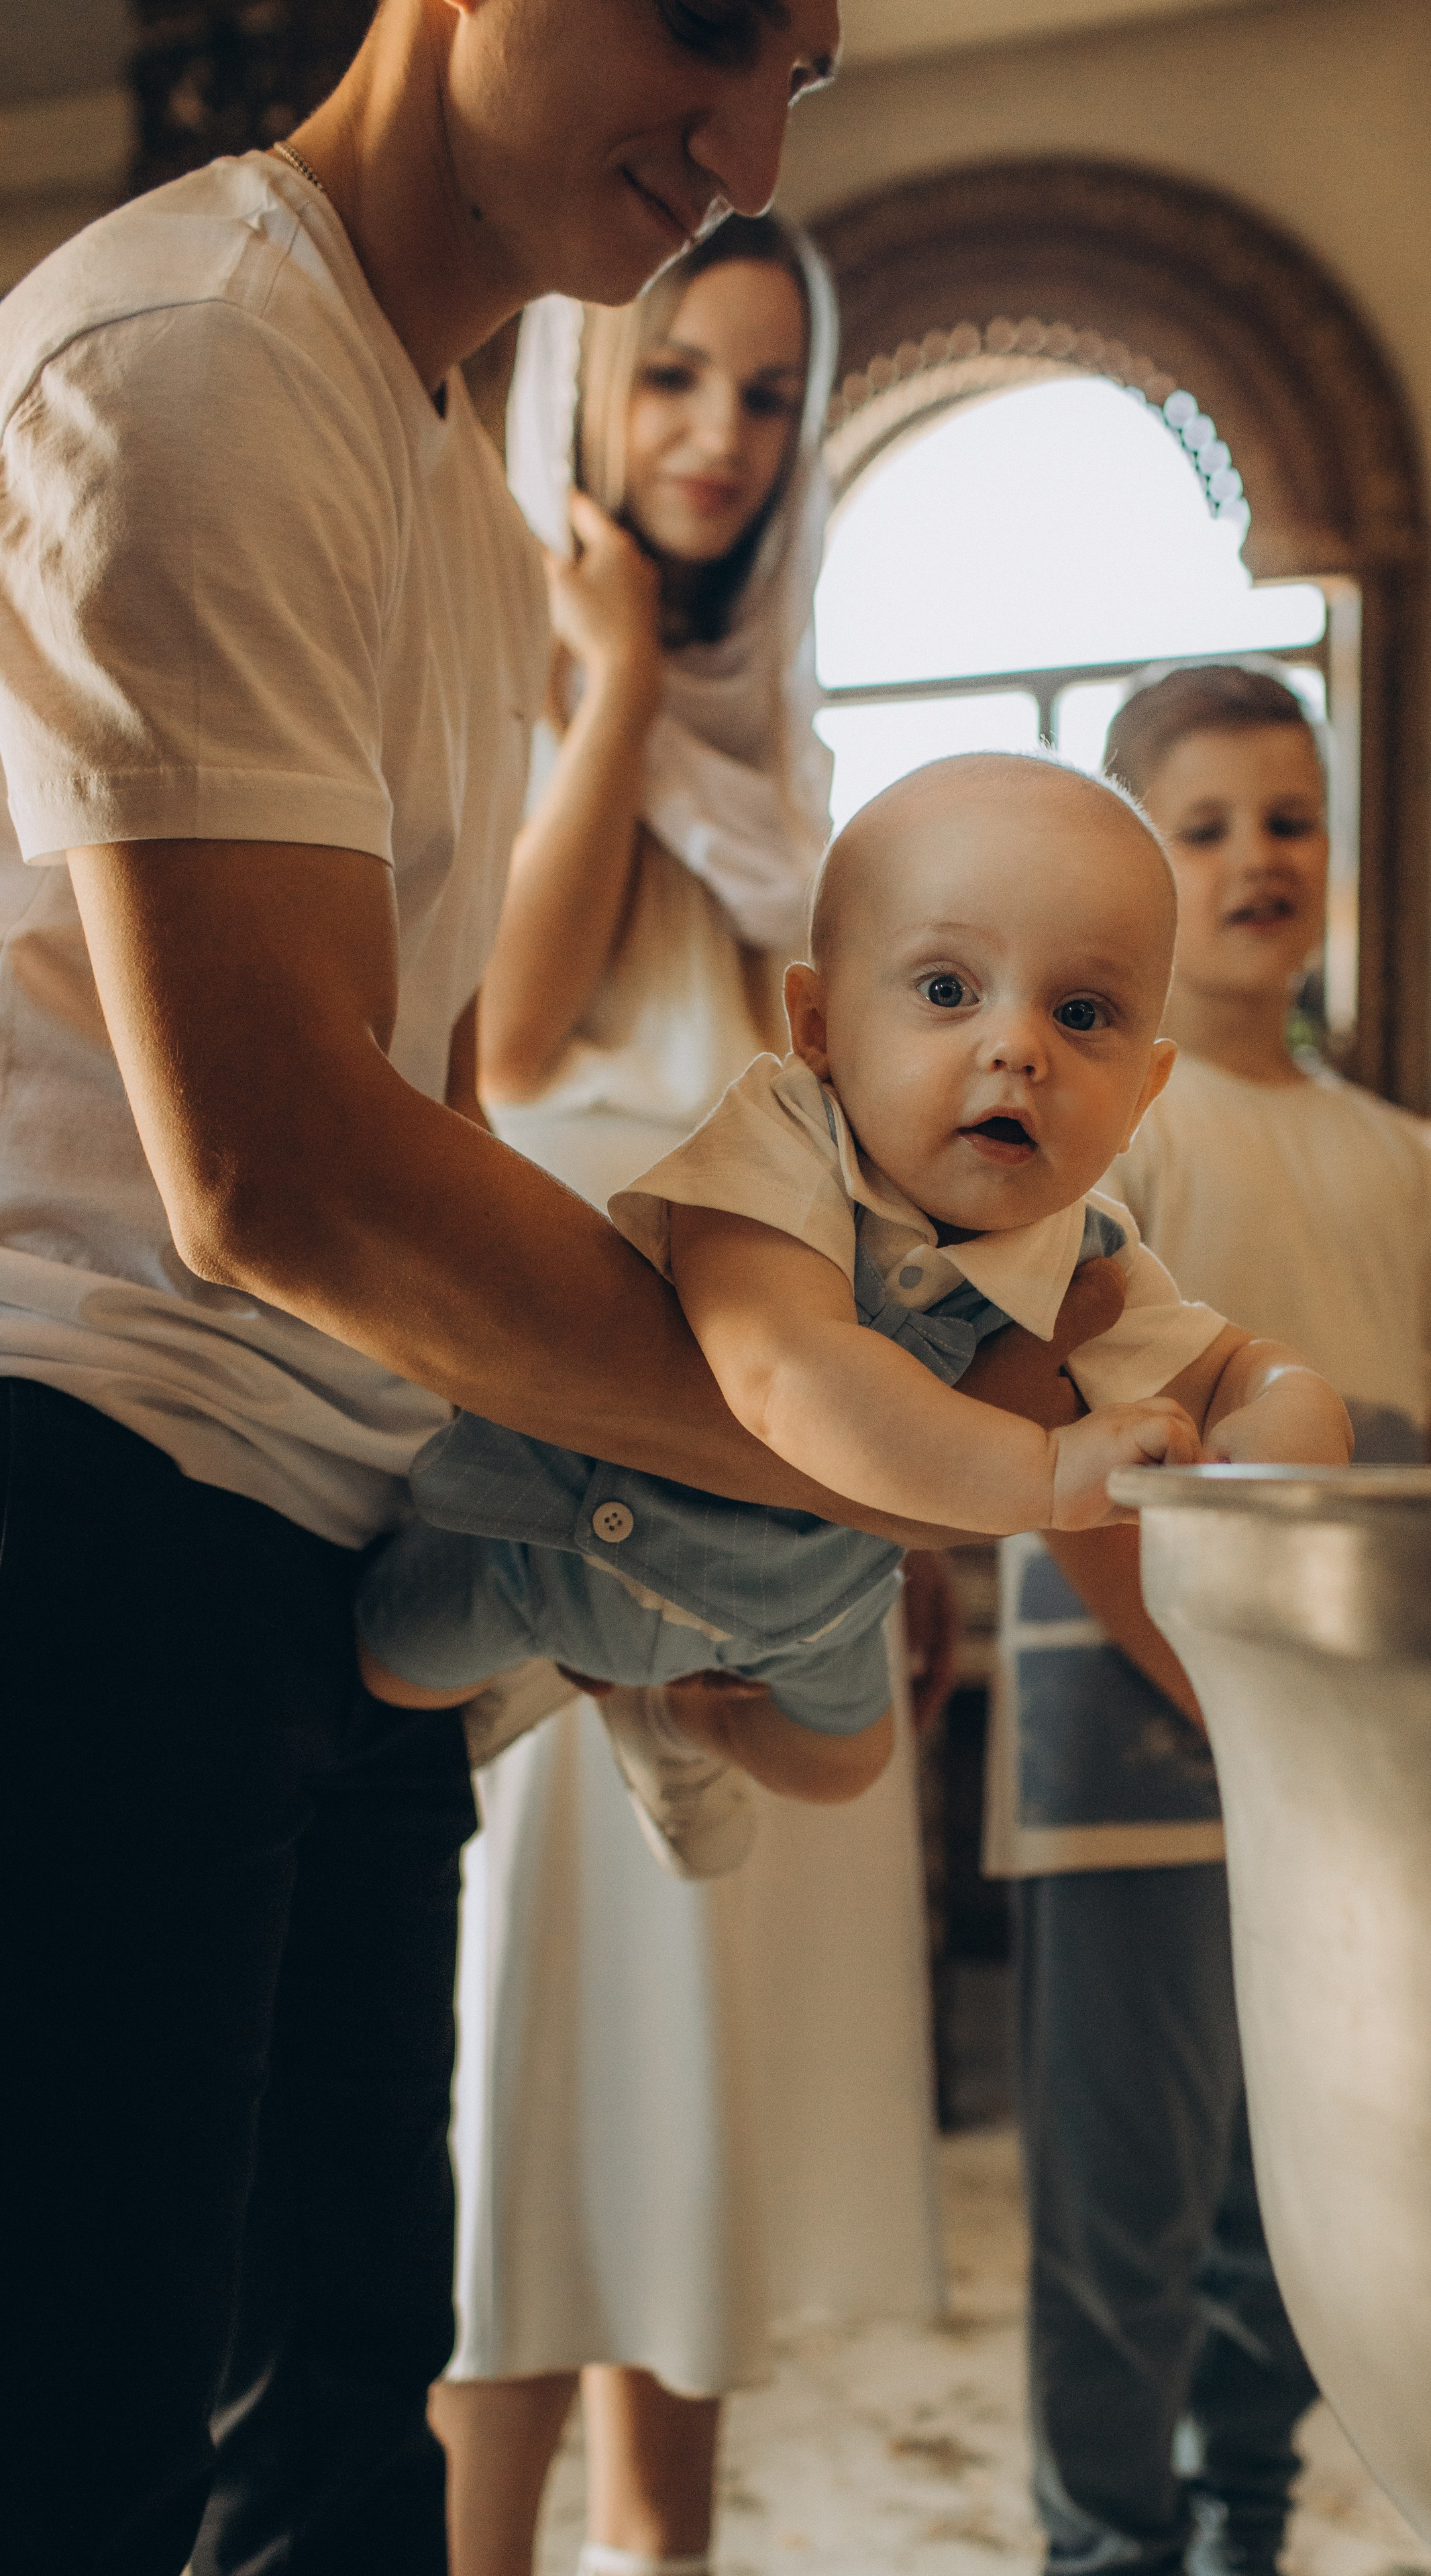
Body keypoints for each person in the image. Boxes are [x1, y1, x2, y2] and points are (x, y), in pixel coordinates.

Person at [0, 4, 1130, 2565]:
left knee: (337, 2451)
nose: (744, 154)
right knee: (85, 2441)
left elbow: (424, 1106)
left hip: (338, 1512)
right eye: (707, 29)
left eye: (801, 83)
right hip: (90, 1518)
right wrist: (850, 1465)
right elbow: (279, 1162)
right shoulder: (192, 362)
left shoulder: (441, 464)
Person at [414, 218, 953, 2576]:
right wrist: (613, 679)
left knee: (700, 2166)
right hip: (564, 1446)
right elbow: (511, 1048)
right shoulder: (508, 644)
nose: (724, 437)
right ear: (591, 392)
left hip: (784, 1461)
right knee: (520, 2153)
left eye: (769, 396)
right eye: (680, 382)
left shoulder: (797, 747)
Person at [358, 748, 1355, 1741]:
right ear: (818, 1026)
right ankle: (567, 1680)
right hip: (570, 1545)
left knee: (846, 1761)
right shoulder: (780, 1144)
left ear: (1143, 1093)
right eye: (947, 991)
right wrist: (1044, 1471)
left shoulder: (1083, 1258)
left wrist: (1287, 1430)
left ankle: (676, 1732)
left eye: (1081, 1012)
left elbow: (1232, 1372)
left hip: (799, 1612)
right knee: (394, 1667)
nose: (1018, 1046)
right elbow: (787, 1373)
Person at [988, 662, 1431, 2576]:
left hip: (1352, 1749)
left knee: (1308, 2171)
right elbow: (1052, 1441)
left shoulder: (1400, 1153)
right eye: (1202, 828)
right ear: (1139, 872)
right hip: (1135, 1715)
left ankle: (1243, 2518)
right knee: (1126, 2183)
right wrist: (1213, 1683)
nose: (1258, 856)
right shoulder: (1110, 1141)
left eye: (1290, 818)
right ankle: (1101, 2543)